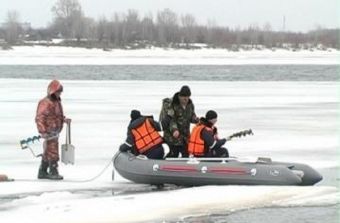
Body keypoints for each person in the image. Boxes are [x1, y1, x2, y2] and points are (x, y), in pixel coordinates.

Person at [35, 80, 71, 180]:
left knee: (48, 151)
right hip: (49, 131)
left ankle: (42, 171)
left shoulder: (57, 102)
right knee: (53, 151)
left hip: (54, 131)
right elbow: (40, 118)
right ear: (52, 91)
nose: (59, 93)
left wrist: (64, 120)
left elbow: (57, 116)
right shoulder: (45, 103)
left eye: (60, 92)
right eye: (58, 91)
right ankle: (53, 171)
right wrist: (43, 131)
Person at [161, 85, 199, 158]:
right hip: (172, 136)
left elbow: (192, 116)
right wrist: (174, 130)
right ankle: (165, 165)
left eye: (187, 97)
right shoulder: (172, 104)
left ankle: (185, 168)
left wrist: (196, 119)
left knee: (186, 153)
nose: (186, 99)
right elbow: (171, 119)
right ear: (179, 96)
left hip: (185, 136)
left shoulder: (190, 105)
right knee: (174, 153)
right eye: (184, 97)